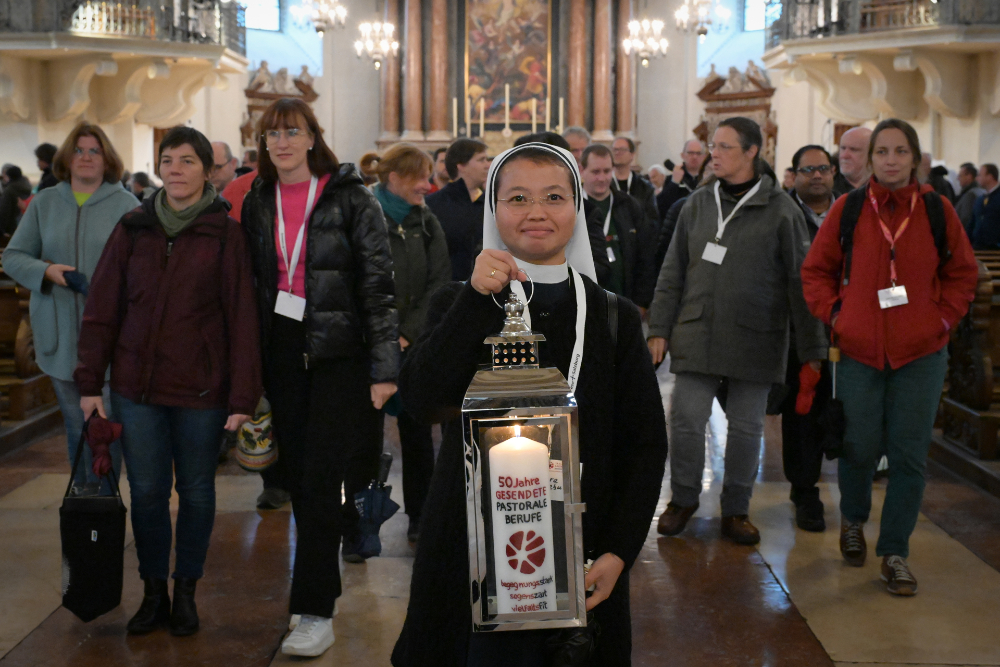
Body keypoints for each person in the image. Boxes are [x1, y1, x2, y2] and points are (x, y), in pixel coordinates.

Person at [390, 142, 667, 667]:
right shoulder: (459, 301)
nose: (536, 211)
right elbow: (421, 400)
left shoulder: (614, 317)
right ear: (494, 208)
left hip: (579, 547)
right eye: (517, 197)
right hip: (468, 546)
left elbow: (645, 444)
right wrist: (474, 300)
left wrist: (619, 550)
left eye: (554, 197)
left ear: (577, 208)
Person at [74, 125, 261, 635]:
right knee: (150, 492)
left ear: (207, 170)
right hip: (137, 389)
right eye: (168, 160)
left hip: (201, 390)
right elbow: (102, 309)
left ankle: (186, 592)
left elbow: (243, 318)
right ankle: (153, 590)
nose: (176, 170)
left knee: (198, 492)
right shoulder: (133, 228)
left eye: (187, 161)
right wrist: (90, 382)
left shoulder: (225, 235)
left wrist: (243, 395)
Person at [241, 97, 398, 657]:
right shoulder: (257, 200)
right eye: (272, 134)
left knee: (319, 477)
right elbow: (251, 290)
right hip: (283, 352)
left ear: (312, 137)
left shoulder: (352, 196)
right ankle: (319, 590)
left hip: (339, 353)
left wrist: (384, 369)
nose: (281, 142)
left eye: (292, 131)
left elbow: (378, 286)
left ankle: (313, 609)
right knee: (300, 476)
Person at [801, 118, 977, 596]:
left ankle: (895, 550)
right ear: (871, 158)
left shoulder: (938, 210)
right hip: (858, 351)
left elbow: (963, 274)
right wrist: (839, 316)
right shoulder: (850, 209)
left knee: (907, 455)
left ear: (916, 158)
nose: (892, 160)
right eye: (883, 152)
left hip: (921, 355)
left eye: (901, 151)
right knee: (858, 447)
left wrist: (940, 321)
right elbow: (816, 271)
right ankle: (854, 519)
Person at [647, 117, 827, 545]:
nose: (715, 153)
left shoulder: (781, 209)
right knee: (686, 419)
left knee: (747, 429)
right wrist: (660, 327)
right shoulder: (695, 205)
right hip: (697, 330)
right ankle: (684, 498)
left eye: (725, 147)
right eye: (714, 146)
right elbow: (672, 272)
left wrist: (813, 346)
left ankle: (737, 509)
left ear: (751, 153)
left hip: (756, 335)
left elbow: (799, 282)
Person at [2, 123, 138, 495]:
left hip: (111, 341)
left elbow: (143, 269)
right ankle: (83, 505)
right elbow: (13, 257)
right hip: (58, 338)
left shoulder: (126, 205)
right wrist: (46, 271)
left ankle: (105, 506)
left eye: (95, 151)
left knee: (105, 426)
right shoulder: (45, 203)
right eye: (79, 150)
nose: (87, 157)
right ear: (66, 158)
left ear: (107, 158)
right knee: (77, 425)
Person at [364, 144, 450, 542]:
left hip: (412, 345)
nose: (427, 185)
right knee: (363, 437)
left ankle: (421, 517)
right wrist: (383, 334)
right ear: (393, 178)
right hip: (369, 343)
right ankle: (361, 526)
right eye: (419, 177)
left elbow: (439, 282)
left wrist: (408, 332)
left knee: (417, 435)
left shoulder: (426, 221)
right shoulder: (364, 214)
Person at [782, 145, 838, 532]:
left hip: (847, 327)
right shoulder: (782, 214)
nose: (816, 175)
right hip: (797, 333)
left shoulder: (849, 210)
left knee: (846, 411)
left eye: (822, 168)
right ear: (794, 176)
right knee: (802, 415)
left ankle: (852, 490)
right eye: (808, 170)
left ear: (832, 172)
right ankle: (805, 491)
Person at [580, 143, 656, 313]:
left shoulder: (629, 206)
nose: (602, 178)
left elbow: (646, 255)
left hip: (625, 302)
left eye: (607, 171)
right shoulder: (572, 207)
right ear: (581, 170)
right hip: (585, 303)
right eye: (595, 172)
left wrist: (642, 301)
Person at [425, 138, 489, 281]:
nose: (487, 165)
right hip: (447, 286)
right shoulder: (433, 204)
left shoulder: (492, 203)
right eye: (481, 160)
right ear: (461, 165)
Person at [656, 139, 705, 225]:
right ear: (682, 155)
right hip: (678, 225)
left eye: (698, 153)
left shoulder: (708, 178)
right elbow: (662, 207)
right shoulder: (672, 179)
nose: (694, 157)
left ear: (704, 156)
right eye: (690, 153)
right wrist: (674, 183)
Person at [610, 137, 658, 225]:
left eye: (622, 150)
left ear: (632, 155)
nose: (617, 153)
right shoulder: (605, 184)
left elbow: (652, 218)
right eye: (615, 149)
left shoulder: (644, 186)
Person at [833, 126, 873, 196]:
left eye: (853, 150)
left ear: (871, 154)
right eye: (843, 148)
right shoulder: (828, 189)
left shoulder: (886, 185)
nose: (844, 156)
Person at [971, 163, 1000, 249]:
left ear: (990, 177)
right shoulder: (980, 199)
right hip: (978, 246)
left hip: (995, 249)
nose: (977, 178)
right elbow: (972, 222)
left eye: (980, 175)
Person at [0, 166, 32, 237]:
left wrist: (1, 230)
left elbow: (4, 211)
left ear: (9, 177)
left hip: (12, 228)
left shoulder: (10, 190)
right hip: (27, 226)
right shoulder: (27, 187)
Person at [954, 162, 983, 236]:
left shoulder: (970, 194)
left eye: (960, 176)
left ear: (969, 177)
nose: (958, 178)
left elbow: (965, 218)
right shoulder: (980, 191)